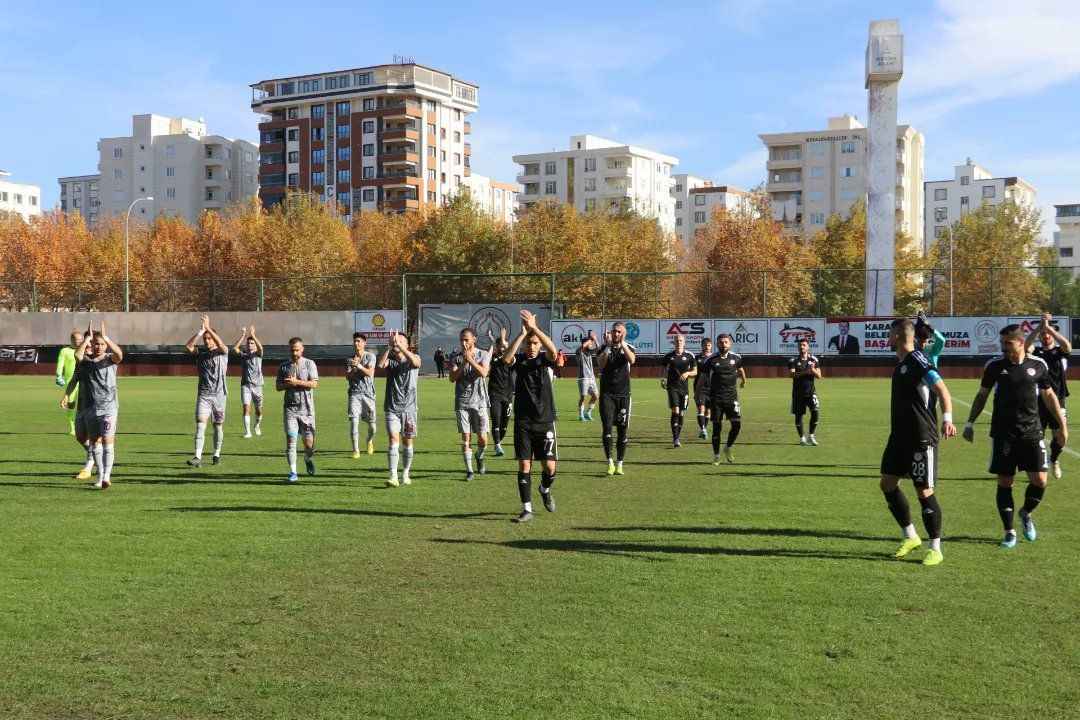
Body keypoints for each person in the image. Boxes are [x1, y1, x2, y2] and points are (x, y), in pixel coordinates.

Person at [963, 324, 1067, 548]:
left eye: (1007, 343)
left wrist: (1062, 425)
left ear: (1021, 343)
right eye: (1002, 343)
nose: (1003, 347)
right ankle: (1009, 531)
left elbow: (1050, 396)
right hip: (1003, 434)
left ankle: (1025, 513)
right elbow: (982, 396)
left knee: (1040, 481)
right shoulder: (994, 366)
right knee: (1005, 482)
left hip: (1032, 432)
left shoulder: (1038, 365)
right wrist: (970, 422)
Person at [879, 319, 956, 567]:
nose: (887, 339)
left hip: (921, 438)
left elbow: (942, 389)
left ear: (898, 336)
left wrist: (947, 419)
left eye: (889, 335)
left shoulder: (918, 361)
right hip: (899, 437)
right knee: (888, 483)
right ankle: (910, 536)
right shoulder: (901, 363)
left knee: (924, 491)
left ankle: (936, 547)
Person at [501, 309, 560, 522]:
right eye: (529, 343)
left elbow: (553, 352)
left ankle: (544, 490)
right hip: (523, 422)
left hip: (545, 421)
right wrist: (522, 333)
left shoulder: (545, 360)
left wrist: (534, 328)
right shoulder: (519, 360)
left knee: (549, 467)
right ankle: (527, 509)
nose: (532, 347)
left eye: (535, 343)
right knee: (524, 465)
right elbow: (506, 358)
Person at [62, 321, 123, 490]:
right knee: (95, 443)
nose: (98, 346)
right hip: (90, 408)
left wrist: (107, 337)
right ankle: (101, 476)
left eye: (101, 344)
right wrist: (87, 337)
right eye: (96, 343)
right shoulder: (86, 362)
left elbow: (119, 353)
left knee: (107, 442)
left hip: (109, 408)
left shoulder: (110, 360)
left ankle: (107, 477)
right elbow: (78, 356)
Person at [1026, 312, 1071, 479]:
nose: (1046, 336)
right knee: (1038, 435)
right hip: (1037, 400)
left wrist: (1049, 328)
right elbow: (1025, 347)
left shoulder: (1060, 352)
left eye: (1048, 334)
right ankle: (1038, 464)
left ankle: (1054, 460)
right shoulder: (1035, 352)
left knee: (1062, 434)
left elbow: (1067, 346)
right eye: (1043, 335)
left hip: (1058, 399)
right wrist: (1039, 327)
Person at [185, 315, 228, 468]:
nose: (207, 341)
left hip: (219, 395)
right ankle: (197, 456)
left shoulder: (223, 352)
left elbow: (222, 344)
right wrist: (200, 332)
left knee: (217, 426)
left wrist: (209, 328)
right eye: (206, 338)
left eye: (210, 338)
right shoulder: (201, 354)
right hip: (204, 395)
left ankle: (216, 453)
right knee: (200, 425)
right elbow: (188, 347)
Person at [380, 331, 421, 487]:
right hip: (392, 408)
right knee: (393, 439)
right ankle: (393, 476)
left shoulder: (414, 358)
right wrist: (389, 347)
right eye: (395, 341)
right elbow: (380, 365)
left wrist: (401, 347)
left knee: (408, 442)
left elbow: (416, 363)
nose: (397, 343)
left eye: (401, 341)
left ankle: (405, 473)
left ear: (407, 345)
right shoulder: (391, 361)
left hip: (409, 409)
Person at [449, 327, 490, 481]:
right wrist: (463, 363)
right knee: (465, 437)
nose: (463, 342)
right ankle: (470, 471)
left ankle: (480, 455)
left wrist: (471, 360)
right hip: (462, 402)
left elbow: (484, 373)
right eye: (461, 340)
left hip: (480, 402)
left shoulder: (483, 354)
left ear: (474, 339)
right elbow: (452, 378)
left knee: (482, 438)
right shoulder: (456, 357)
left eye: (466, 339)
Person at [275, 337, 319, 483]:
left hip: (307, 410)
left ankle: (307, 458)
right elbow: (278, 387)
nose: (294, 352)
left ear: (302, 349)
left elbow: (314, 384)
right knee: (291, 441)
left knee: (309, 445)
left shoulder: (309, 364)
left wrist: (297, 382)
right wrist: (287, 384)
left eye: (297, 350)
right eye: (292, 350)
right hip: (290, 410)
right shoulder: (284, 366)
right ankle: (293, 472)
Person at [597, 322, 636, 476]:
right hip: (607, 395)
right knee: (607, 428)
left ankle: (620, 463)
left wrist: (622, 344)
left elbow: (632, 360)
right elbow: (600, 364)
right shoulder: (603, 348)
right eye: (614, 331)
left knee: (622, 431)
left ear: (623, 333)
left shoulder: (629, 347)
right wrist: (607, 347)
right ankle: (610, 462)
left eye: (619, 332)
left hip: (623, 396)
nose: (616, 334)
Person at [701, 333, 747, 464]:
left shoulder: (736, 358)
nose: (723, 344)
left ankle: (728, 447)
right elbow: (703, 378)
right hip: (716, 399)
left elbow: (741, 370)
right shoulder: (710, 360)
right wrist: (699, 393)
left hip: (732, 398)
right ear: (717, 344)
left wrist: (744, 381)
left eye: (726, 342)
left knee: (737, 425)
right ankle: (716, 456)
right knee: (717, 427)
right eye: (721, 342)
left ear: (730, 344)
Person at [660, 333, 697, 448]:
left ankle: (677, 436)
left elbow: (695, 371)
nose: (678, 342)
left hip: (684, 388)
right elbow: (664, 370)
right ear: (673, 342)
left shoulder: (690, 356)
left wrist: (688, 373)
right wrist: (663, 379)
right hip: (672, 387)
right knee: (675, 411)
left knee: (681, 412)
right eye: (676, 340)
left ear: (684, 342)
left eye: (680, 340)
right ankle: (675, 439)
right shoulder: (668, 356)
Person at [346, 332, 378, 458]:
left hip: (368, 394)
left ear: (364, 343)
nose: (356, 343)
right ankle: (356, 450)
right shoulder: (350, 359)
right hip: (354, 393)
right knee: (354, 421)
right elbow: (348, 377)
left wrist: (358, 366)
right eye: (355, 341)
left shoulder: (370, 357)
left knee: (372, 426)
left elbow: (369, 373)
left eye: (359, 341)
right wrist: (353, 368)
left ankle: (369, 441)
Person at [485, 328, 514, 457]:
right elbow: (489, 357)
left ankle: (499, 442)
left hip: (508, 395)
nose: (503, 348)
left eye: (504, 346)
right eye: (501, 346)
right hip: (494, 394)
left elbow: (509, 352)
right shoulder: (492, 357)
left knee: (504, 425)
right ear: (497, 347)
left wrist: (503, 340)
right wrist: (496, 341)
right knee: (496, 420)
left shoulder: (510, 358)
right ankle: (497, 445)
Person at [788, 338, 822, 446]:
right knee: (799, 416)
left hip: (811, 392)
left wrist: (813, 370)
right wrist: (806, 371)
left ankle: (811, 435)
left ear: (808, 347)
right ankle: (802, 438)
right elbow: (792, 375)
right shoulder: (793, 361)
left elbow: (819, 376)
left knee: (815, 412)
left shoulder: (814, 360)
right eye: (800, 345)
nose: (801, 347)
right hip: (798, 393)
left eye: (804, 345)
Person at [233, 325, 264, 439]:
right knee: (246, 407)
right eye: (249, 343)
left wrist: (253, 335)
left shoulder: (258, 354)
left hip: (258, 386)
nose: (250, 345)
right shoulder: (244, 355)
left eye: (252, 344)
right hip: (245, 385)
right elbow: (235, 348)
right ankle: (248, 432)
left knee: (259, 411)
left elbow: (261, 348)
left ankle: (257, 425)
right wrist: (243, 335)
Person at [56, 329, 82, 436]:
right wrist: (59, 376)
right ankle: (72, 428)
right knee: (71, 404)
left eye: (81, 339)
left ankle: (84, 426)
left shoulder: (85, 349)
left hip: (84, 381)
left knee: (85, 404)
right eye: (78, 339)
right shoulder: (65, 351)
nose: (80, 341)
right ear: (72, 340)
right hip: (71, 382)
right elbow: (60, 364)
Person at [575, 330, 599, 421]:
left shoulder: (589, 352)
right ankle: (581, 415)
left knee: (596, 396)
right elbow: (581, 347)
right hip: (583, 378)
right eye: (589, 343)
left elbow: (598, 348)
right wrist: (590, 339)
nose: (591, 345)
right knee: (583, 397)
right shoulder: (579, 352)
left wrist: (595, 339)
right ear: (585, 343)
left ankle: (588, 412)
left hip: (591, 378)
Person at [693, 337, 713, 439]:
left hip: (712, 387)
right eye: (705, 345)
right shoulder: (697, 358)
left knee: (708, 411)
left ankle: (704, 428)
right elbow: (693, 371)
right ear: (702, 346)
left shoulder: (714, 358)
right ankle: (703, 429)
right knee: (701, 408)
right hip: (699, 387)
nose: (707, 347)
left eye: (709, 345)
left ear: (711, 346)